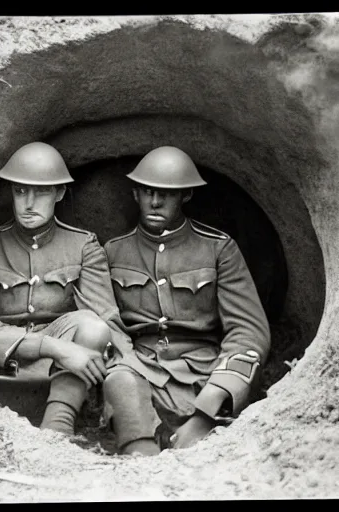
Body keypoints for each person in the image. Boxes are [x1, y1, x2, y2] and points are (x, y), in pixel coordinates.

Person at [0, 141, 136, 436]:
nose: (28, 202)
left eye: (40, 191)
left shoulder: (83, 246)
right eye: (20, 191)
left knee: (93, 328)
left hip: (60, 377)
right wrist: (56, 347)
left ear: (59, 193)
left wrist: (119, 381)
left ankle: (58, 425)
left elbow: (107, 322)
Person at [102, 146, 271, 456]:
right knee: (120, 381)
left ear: (186, 195)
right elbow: (107, 324)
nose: (154, 202)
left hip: (203, 374)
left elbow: (248, 332)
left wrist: (205, 414)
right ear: (135, 194)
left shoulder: (217, 249)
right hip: (140, 370)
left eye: (166, 193)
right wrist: (125, 361)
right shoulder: (112, 252)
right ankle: (139, 458)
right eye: (147, 191)